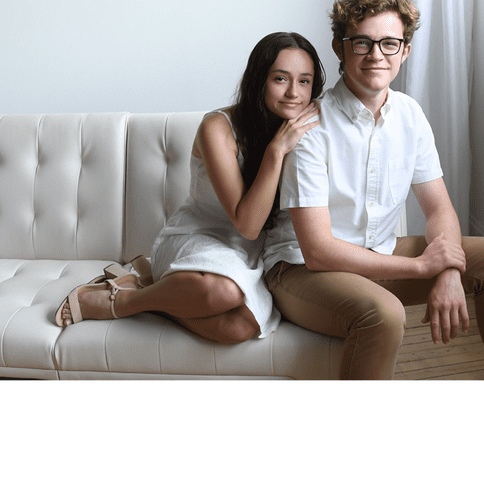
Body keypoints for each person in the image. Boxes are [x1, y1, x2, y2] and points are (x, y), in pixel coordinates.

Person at [262, 0, 484, 379]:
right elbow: (318, 251)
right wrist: (425, 268)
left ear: (405, 51)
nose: (376, 55)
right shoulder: (310, 128)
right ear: (339, 48)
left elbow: (439, 208)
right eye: (362, 43)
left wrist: (448, 270)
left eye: (390, 43)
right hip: (303, 270)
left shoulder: (410, 114)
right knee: (385, 314)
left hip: (379, 253)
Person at [58, 32, 323, 343]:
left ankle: (150, 291)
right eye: (281, 79)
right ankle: (122, 301)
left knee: (242, 328)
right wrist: (276, 151)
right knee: (224, 291)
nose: (294, 92)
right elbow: (248, 225)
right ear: (259, 80)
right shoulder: (218, 127)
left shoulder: (305, 128)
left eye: (304, 81)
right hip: (199, 237)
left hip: (251, 253)